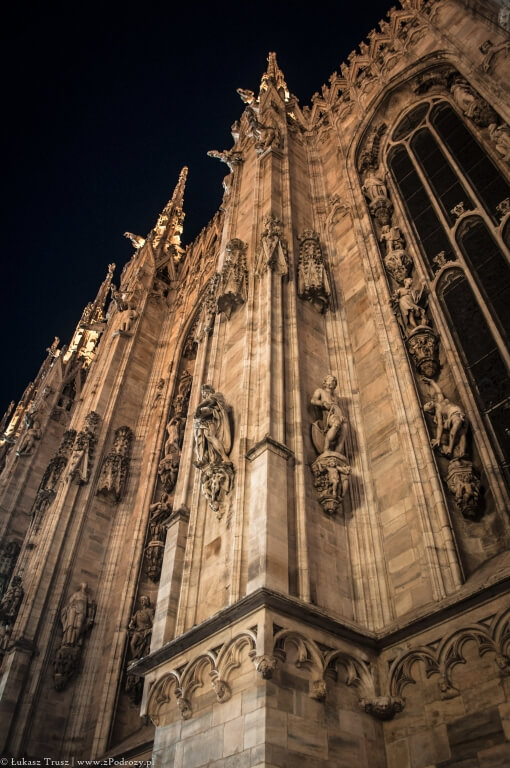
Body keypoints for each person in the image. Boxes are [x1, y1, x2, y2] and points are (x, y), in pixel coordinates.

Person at [193, 385, 232, 467]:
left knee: (211, 436)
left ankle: (224, 457)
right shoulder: (209, 403)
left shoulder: (216, 395)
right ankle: (210, 459)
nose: (203, 396)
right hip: (206, 422)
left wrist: (198, 407)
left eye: (204, 393)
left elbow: (210, 401)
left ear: (208, 391)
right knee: (206, 440)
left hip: (211, 422)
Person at [310, 375, 348, 455]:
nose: (333, 382)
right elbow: (313, 400)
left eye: (334, 381)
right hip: (328, 415)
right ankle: (326, 448)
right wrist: (323, 403)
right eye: (331, 380)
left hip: (338, 414)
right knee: (336, 424)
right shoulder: (320, 391)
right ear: (325, 382)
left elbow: (338, 408)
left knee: (345, 427)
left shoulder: (336, 397)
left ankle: (338, 450)